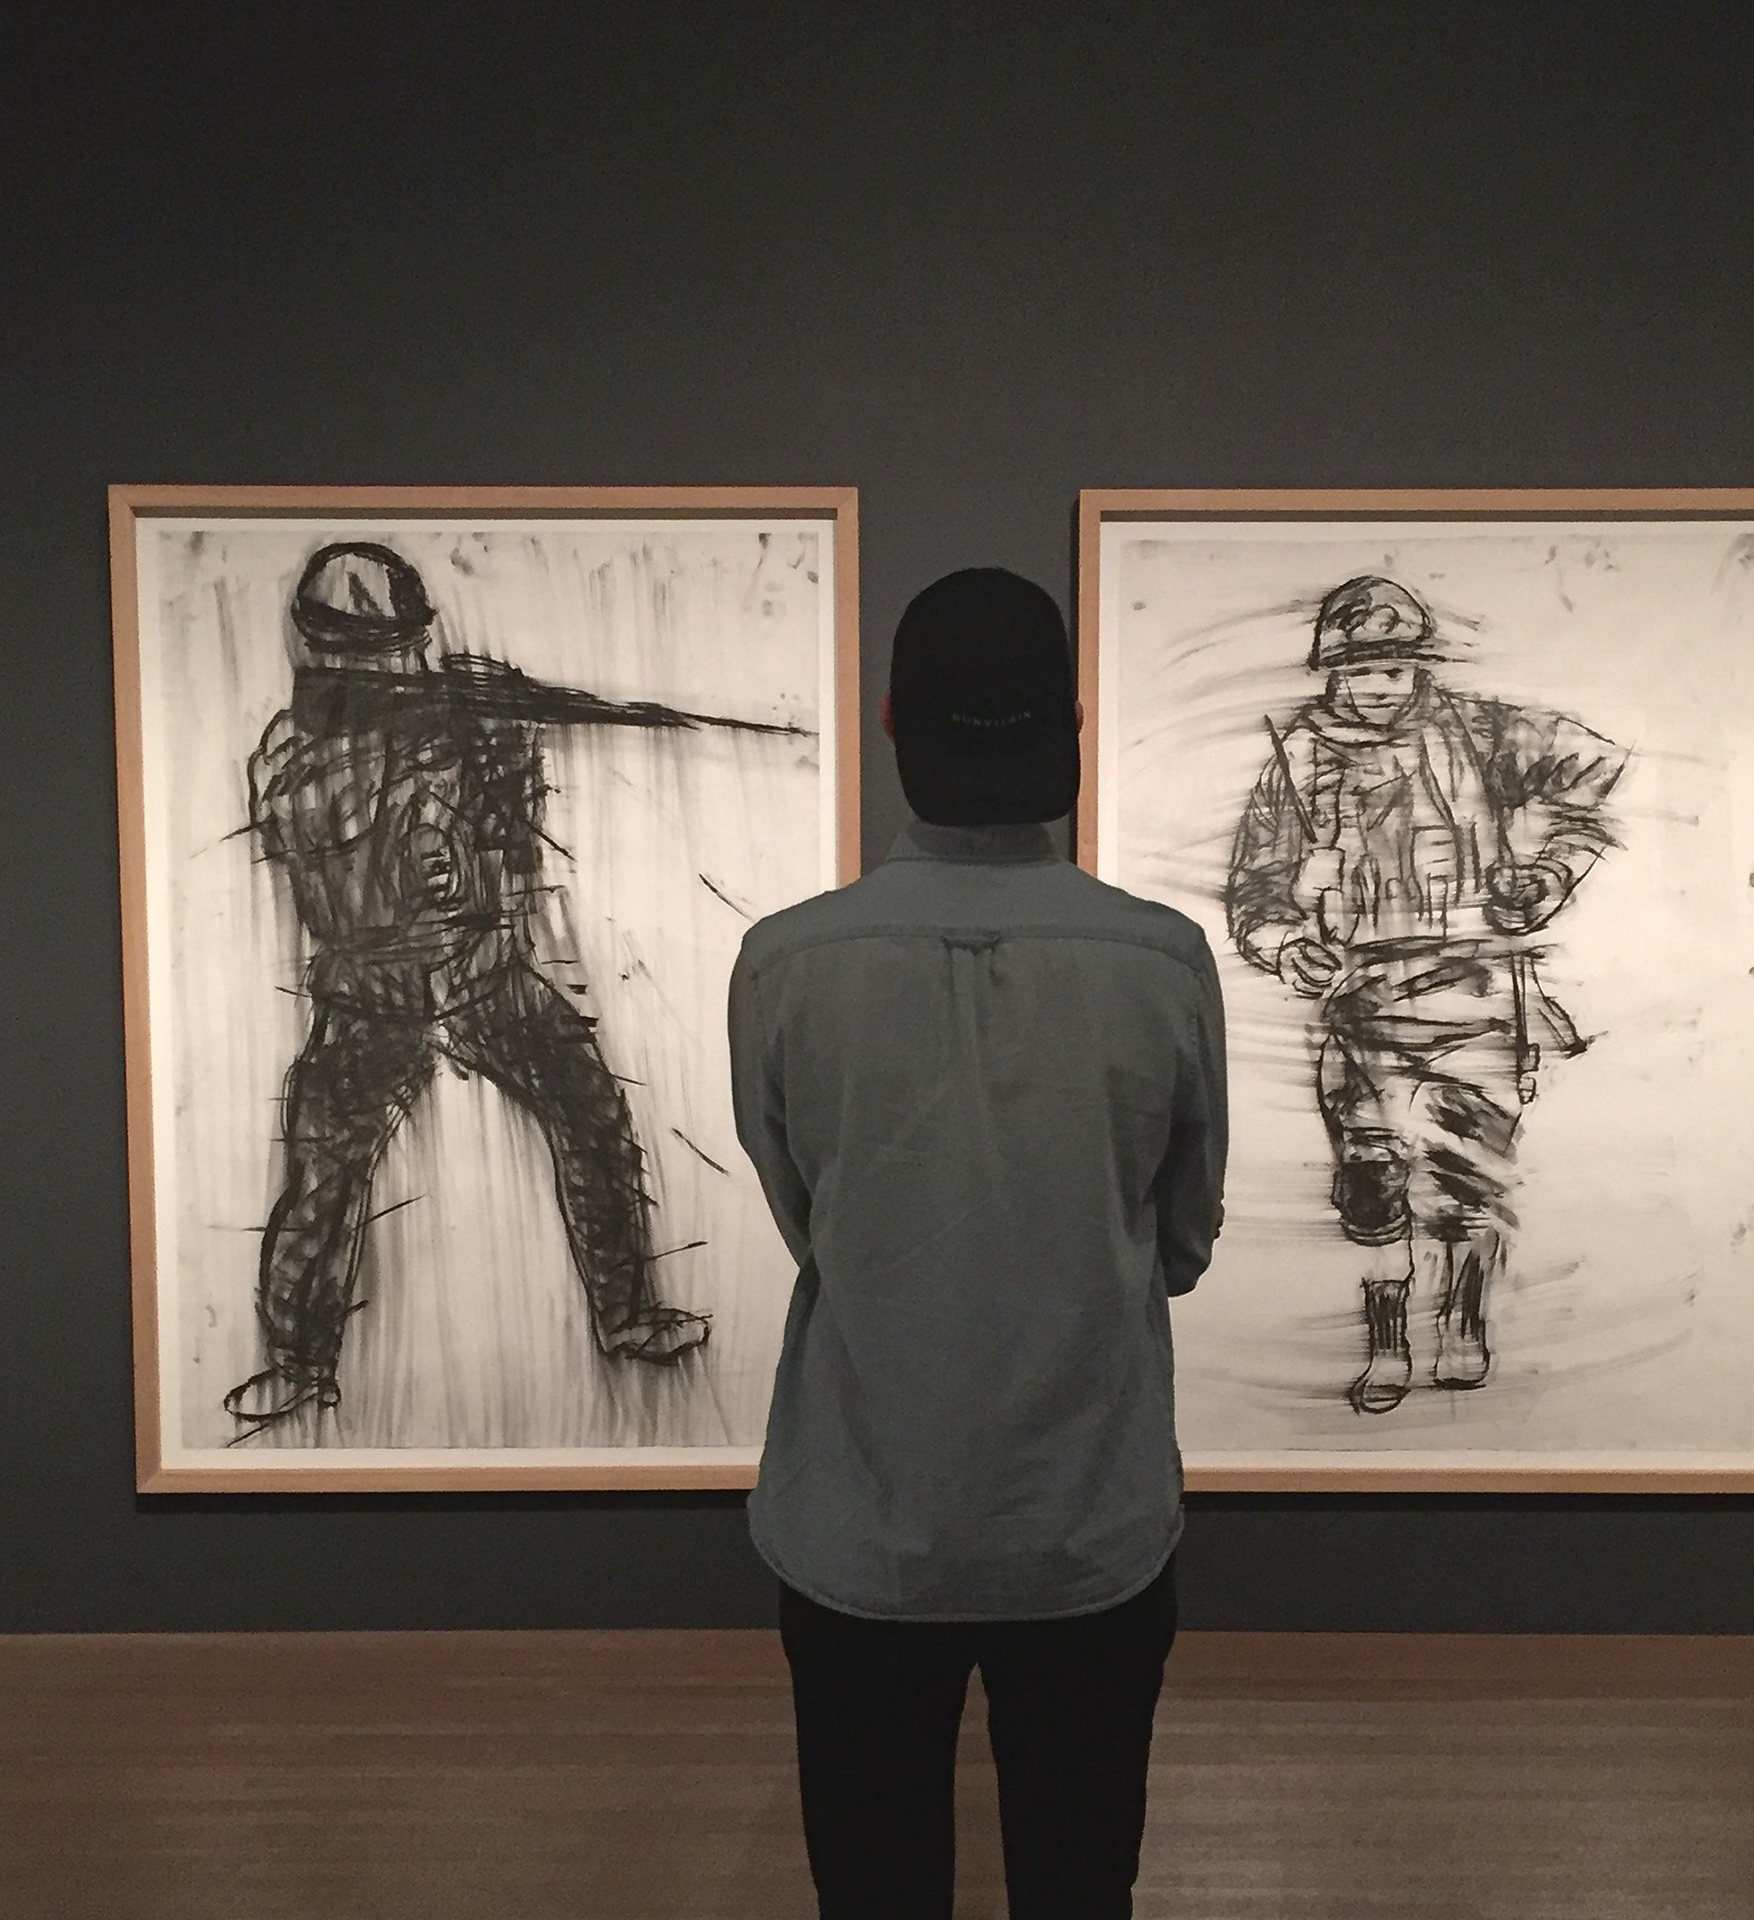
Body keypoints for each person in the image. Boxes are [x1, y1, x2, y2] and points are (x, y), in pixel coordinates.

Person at [728, 568, 1228, 1919]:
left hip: (863, 1521)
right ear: (1072, 723)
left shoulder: (784, 962)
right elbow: (1184, 1237)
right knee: (1080, 1885)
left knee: (873, 1890)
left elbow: (805, 1215)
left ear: (895, 721)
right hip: (1086, 1515)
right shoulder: (1162, 959)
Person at [229, 540, 793, 1431]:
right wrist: (399, 792)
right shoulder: (291, 756)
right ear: (321, 652)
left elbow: (509, 851)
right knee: (321, 1179)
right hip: (368, 996)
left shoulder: (463, 727)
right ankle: (298, 1364)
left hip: (484, 973)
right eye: (373, 657)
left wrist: (494, 769)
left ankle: (627, 1313)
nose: (396, 670)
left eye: (400, 651)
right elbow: (320, 867)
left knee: (593, 1118)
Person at [1223, 575, 1626, 1414]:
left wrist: (1547, 876)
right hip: (1360, 1008)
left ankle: (1464, 1327)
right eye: (1359, 669)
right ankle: (1387, 1344)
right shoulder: (1297, 761)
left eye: (1395, 668)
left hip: (1478, 997)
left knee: (1469, 1180)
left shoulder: (1481, 730)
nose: (1377, 686)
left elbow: (1595, 766)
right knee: (1372, 1185)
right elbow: (1255, 888)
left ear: (1420, 668)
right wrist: (1287, 946)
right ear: (1332, 671)